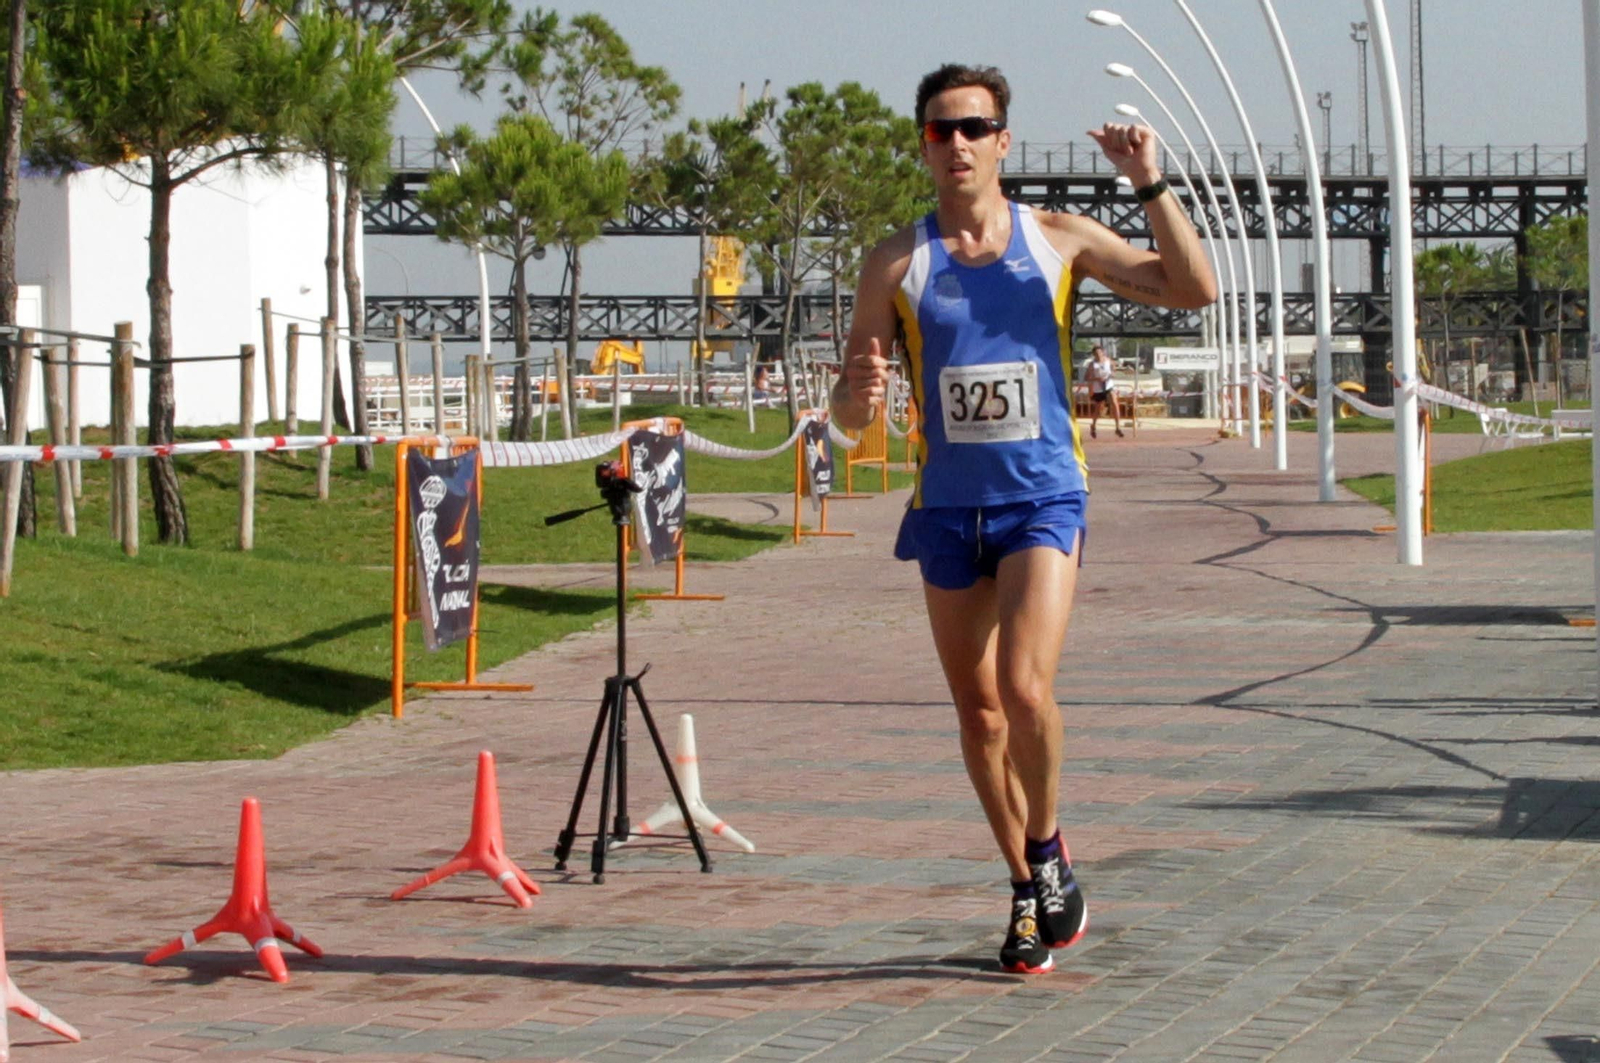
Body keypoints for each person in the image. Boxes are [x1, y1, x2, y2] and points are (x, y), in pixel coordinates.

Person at [832, 64, 1215, 974]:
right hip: (946, 508)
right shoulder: (896, 261)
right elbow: (852, 421)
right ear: (923, 145)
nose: (956, 143)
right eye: (939, 130)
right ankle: (1021, 884)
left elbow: (1193, 289)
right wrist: (856, 393)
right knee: (980, 714)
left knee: (1026, 687)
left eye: (973, 127)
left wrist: (1148, 183)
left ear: (1003, 139)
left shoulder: (1057, 239)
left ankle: (1048, 847)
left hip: (1043, 493)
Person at [1084, 345, 1123, 438]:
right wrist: (1097, 378)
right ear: (1094, 354)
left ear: (1102, 352)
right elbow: (1086, 377)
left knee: (1114, 402)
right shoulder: (1092, 364)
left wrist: (1112, 374)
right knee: (1098, 408)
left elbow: (1114, 369)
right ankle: (1093, 425)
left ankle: (1118, 427)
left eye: (1100, 352)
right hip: (1098, 388)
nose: (1098, 355)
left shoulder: (1108, 360)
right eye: (1096, 353)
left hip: (1109, 385)